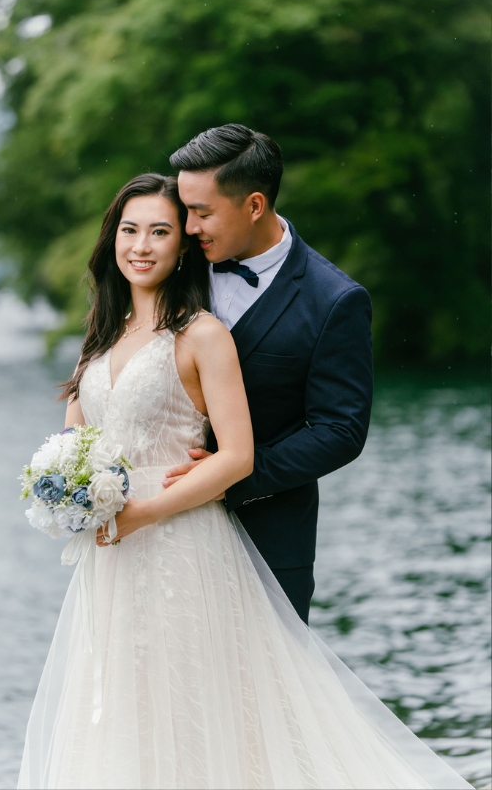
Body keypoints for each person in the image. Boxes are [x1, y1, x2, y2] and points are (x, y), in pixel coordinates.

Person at [17, 173, 472, 788]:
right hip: (112, 555)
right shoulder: (99, 333)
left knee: (198, 707)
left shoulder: (203, 333)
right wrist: (65, 490)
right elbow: (77, 440)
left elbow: (238, 455)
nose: (142, 246)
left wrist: (145, 513)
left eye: (160, 232)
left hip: (181, 541)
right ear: (111, 241)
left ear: (183, 246)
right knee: (121, 705)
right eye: (129, 231)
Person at [163, 123, 373, 624]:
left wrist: (228, 479)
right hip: (161, 535)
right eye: (185, 210)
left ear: (254, 205)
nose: (188, 227)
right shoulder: (175, 266)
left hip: (270, 541)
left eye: (202, 212)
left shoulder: (335, 301)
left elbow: (340, 431)